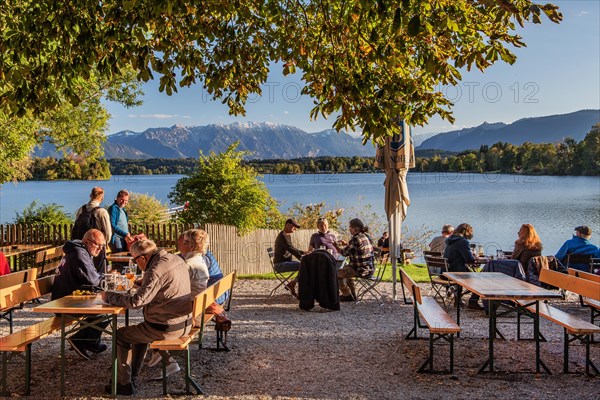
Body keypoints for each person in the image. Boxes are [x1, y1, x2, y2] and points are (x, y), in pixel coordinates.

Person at [101, 239, 193, 395]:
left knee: (121, 336)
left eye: (135, 260)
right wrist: (144, 284)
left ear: (142, 258)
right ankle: (131, 377)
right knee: (137, 334)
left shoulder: (155, 270)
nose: (136, 265)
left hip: (166, 327)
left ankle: (123, 384)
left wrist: (108, 296)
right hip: (185, 322)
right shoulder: (175, 258)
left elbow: (137, 301)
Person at [52, 229, 110, 359]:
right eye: (98, 245)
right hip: (65, 303)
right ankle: (79, 340)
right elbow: (93, 280)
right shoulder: (79, 254)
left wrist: (103, 277)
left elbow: (92, 277)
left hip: (70, 298)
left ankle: (90, 342)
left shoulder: (79, 250)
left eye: (102, 246)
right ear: (87, 242)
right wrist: (108, 278)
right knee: (104, 312)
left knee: (105, 309)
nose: (100, 249)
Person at [444, 223, 483, 310]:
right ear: (467, 232)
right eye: (470, 232)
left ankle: (458, 300)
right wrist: (475, 259)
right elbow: (469, 259)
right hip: (457, 272)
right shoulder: (462, 241)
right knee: (480, 278)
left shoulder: (450, 239)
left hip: (446, 271)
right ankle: (473, 301)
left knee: (472, 274)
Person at [334, 218, 374, 302]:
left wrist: (335, 246)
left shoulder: (355, 239)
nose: (349, 229)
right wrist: (347, 244)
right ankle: (353, 294)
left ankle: (346, 295)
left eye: (350, 227)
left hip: (360, 270)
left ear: (355, 228)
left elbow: (344, 253)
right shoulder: (366, 236)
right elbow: (357, 248)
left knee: (336, 273)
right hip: (369, 269)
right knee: (346, 267)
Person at [74, 187, 112, 272]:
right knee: (98, 272)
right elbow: (108, 233)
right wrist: (103, 245)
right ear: (102, 198)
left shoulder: (81, 209)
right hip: (97, 247)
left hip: (81, 247)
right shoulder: (102, 212)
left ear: (90, 195)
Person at [273, 218, 305, 297]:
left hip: (286, 262)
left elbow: (292, 248)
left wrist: (303, 252)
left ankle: (292, 284)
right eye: (294, 227)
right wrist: (302, 258)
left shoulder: (287, 235)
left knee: (304, 265)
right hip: (280, 265)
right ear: (287, 225)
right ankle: (293, 284)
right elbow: (291, 250)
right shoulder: (282, 237)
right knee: (304, 265)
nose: (295, 229)